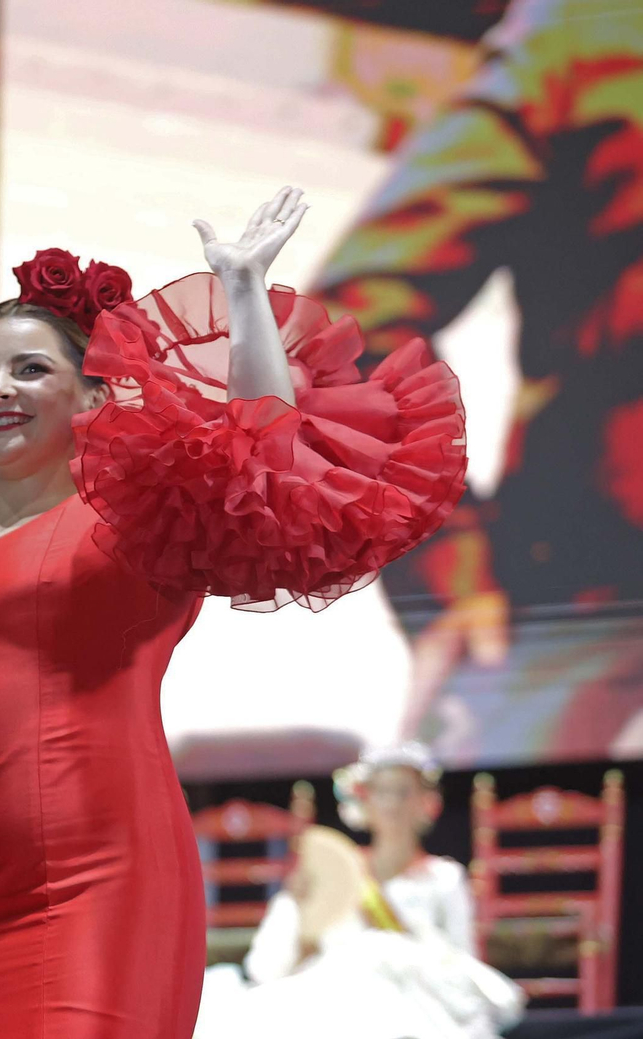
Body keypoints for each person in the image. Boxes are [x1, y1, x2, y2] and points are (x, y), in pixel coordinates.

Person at [0, 188, 468, 1037]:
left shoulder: (136, 524)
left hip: (98, 882)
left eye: (32, 369)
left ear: (94, 400)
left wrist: (243, 294)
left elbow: (268, 463)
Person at [310, 0, 643, 755]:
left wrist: (452, 575)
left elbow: (347, 325)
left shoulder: (591, 33)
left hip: (586, 616)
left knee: (496, 850)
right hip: (586, 612)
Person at [194, 744, 525, 1039]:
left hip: (412, 998)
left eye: (403, 792)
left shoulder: (443, 877)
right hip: (335, 990)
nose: (392, 804)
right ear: (365, 800)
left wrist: (399, 936)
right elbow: (266, 966)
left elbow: (464, 969)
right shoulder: (336, 872)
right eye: (382, 792)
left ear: (427, 802)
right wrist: (300, 909)